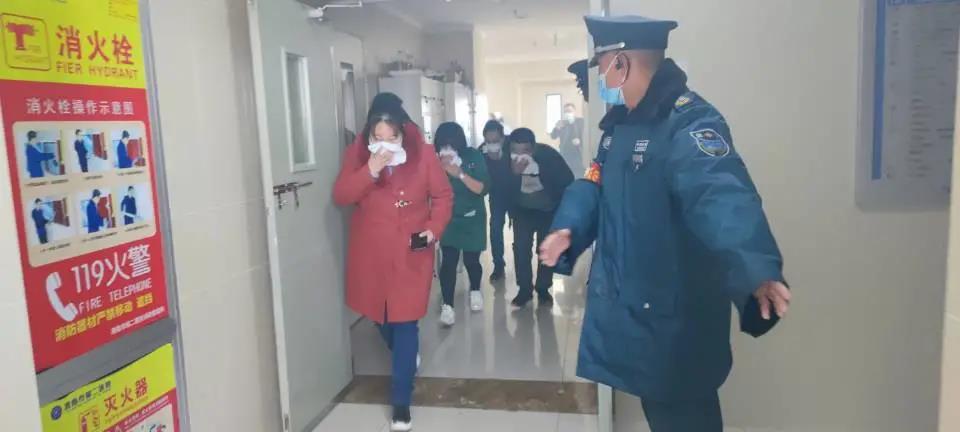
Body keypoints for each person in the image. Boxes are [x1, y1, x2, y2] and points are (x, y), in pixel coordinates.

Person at [538, 16, 792, 431]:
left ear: (621, 64)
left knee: (685, 416)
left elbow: (721, 195)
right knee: (660, 413)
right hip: (637, 313)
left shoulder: (688, 123)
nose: (600, 77)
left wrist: (755, 268)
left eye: (602, 65)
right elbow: (594, 184)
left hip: (675, 321)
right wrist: (568, 228)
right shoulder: (619, 128)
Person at [333, 94, 452, 432]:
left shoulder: (423, 154)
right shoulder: (357, 155)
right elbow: (342, 196)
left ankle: (401, 402)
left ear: (403, 131)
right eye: (378, 137)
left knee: (405, 322)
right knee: (380, 316)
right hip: (371, 253)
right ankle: (404, 354)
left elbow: (443, 196)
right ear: (369, 134)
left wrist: (433, 230)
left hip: (411, 253)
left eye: (392, 137)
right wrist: (369, 170)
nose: (385, 144)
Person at [507, 128, 574, 308]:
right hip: (522, 211)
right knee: (521, 249)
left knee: (546, 250)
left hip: (547, 211)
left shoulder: (549, 156)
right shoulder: (507, 160)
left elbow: (568, 181)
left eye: (525, 151)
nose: (519, 156)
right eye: (515, 151)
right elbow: (499, 185)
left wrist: (541, 172)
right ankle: (524, 290)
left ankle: (543, 288)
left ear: (533, 148)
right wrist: (513, 174)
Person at [435, 122, 489, 326]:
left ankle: (475, 290)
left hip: (472, 218)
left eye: (451, 144)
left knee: (471, 260)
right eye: (443, 145)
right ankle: (447, 305)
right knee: (448, 261)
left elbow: (482, 188)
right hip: (448, 219)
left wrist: (459, 173)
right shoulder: (434, 160)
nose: (447, 149)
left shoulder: (473, 157)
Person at [478, 120, 512, 282]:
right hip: (496, 195)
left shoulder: (513, 147)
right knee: (495, 228)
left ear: (503, 139)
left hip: (516, 195)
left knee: (522, 234)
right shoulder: (481, 152)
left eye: (495, 141)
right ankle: (498, 264)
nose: (491, 144)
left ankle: (523, 268)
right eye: (488, 141)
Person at [550, 103, 585, 177]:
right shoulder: (561, 123)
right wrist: (557, 128)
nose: (567, 113)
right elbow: (553, 136)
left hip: (578, 153)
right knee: (565, 173)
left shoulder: (580, 121)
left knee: (578, 174)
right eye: (565, 111)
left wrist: (580, 141)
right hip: (565, 153)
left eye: (569, 111)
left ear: (574, 112)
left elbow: (585, 136)